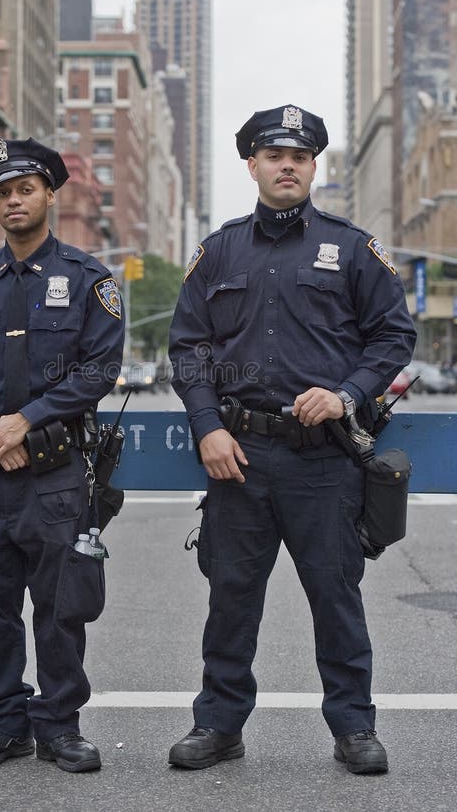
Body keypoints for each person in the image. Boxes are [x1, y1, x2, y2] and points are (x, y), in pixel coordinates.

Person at [167, 105, 416, 774]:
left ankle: (354, 729)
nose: (287, 166)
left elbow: (395, 335)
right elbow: (187, 345)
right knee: (231, 601)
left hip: (322, 460)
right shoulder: (220, 250)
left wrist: (345, 394)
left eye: (300, 157)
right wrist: (207, 427)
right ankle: (218, 726)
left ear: (313, 167)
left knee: (336, 600)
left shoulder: (352, 247)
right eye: (274, 155)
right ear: (251, 164)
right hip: (238, 456)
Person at [0, 137, 124, 771]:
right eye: (3, 192)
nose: (14, 200)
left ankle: (59, 727)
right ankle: (3, 723)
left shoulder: (88, 281)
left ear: (49, 196)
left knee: (62, 608)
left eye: (25, 190)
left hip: (56, 475)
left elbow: (100, 369)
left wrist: (26, 421)